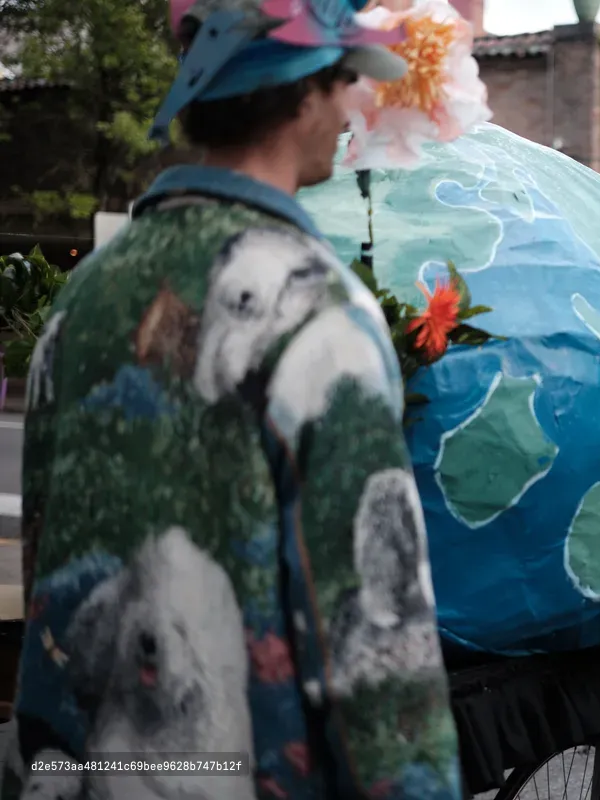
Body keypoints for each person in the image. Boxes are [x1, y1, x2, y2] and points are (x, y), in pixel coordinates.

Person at [5, 2, 462, 799]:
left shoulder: (81, 299)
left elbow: (46, 560)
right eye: (345, 76)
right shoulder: (316, 314)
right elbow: (376, 655)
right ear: (302, 90)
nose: (355, 101)